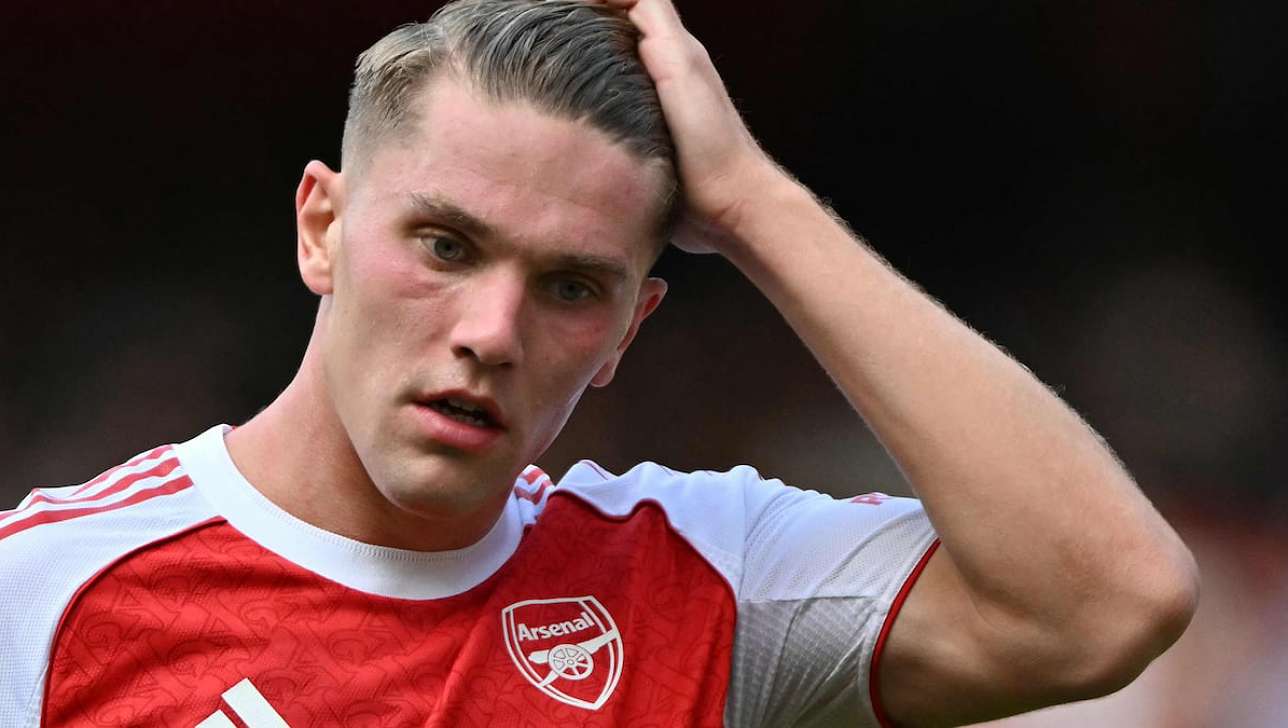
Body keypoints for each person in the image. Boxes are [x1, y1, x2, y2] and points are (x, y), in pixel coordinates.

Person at [0, 0, 1199, 725]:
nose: (492, 330)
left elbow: (1107, 599)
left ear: (629, 326)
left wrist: (756, 205)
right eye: (444, 245)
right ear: (323, 226)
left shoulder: (701, 581)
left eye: (572, 286)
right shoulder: (43, 593)